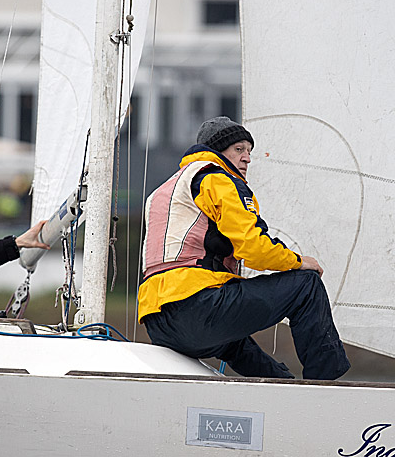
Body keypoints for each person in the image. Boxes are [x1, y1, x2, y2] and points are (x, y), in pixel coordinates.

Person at [139, 116, 350, 380]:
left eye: (249, 151)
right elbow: (253, 247)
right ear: (217, 151)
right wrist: (298, 261)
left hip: (158, 322)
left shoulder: (163, 190)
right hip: (198, 307)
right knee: (306, 286)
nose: (247, 158)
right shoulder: (217, 179)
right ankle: (327, 386)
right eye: (239, 149)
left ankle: (283, 387)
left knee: (238, 348)